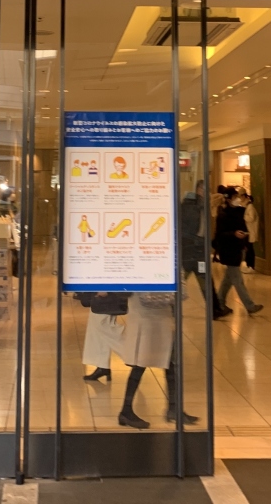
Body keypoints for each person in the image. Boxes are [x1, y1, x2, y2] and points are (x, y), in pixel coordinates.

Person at [116, 292, 195, 429]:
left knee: (170, 362)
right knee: (140, 364)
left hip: (162, 316)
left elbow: (180, 291)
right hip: (144, 316)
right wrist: (171, 294)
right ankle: (126, 410)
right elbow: (145, 297)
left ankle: (174, 408)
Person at [179, 181, 229, 318]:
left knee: (204, 279)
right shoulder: (189, 206)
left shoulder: (201, 206)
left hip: (198, 249)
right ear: (199, 190)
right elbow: (192, 227)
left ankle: (215, 309)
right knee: (187, 279)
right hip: (191, 249)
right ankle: (171, 306)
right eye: (206, 190)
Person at [213, 190, 262, 316]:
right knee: (237, 280)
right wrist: (233, 234)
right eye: (235, 196)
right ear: (229, 199)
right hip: (228, 250)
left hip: (237, 248)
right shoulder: (223, 215)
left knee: (228, 279)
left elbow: (243, 227)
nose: (238, 199)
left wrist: (244, 241)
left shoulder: (240, 212)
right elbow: (220, 234)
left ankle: (219, 303)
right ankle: (250, 306)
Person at [76, 291, 127, 382]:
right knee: (100, 328)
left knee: (103, 326)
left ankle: (132, 354)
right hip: (104, 295)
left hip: (105, 294)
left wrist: (105, 289)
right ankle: (103, 366)